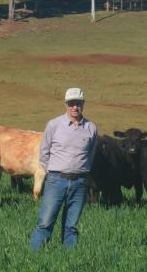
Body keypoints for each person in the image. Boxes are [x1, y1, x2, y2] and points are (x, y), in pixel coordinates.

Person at [30, 87, 98, 251]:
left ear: (83, 104)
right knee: (45, 222)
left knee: (72, 225)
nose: (75, 107)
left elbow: (91, 154)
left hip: (80, 182)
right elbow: (44, 153)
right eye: (71, 103)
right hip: (56, 180)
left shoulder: (91, 128)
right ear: (66, 104)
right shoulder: (54, 125)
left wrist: (82, 171)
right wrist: (54, 172)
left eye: (78, 103)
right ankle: (34, 257)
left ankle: (70, 259)